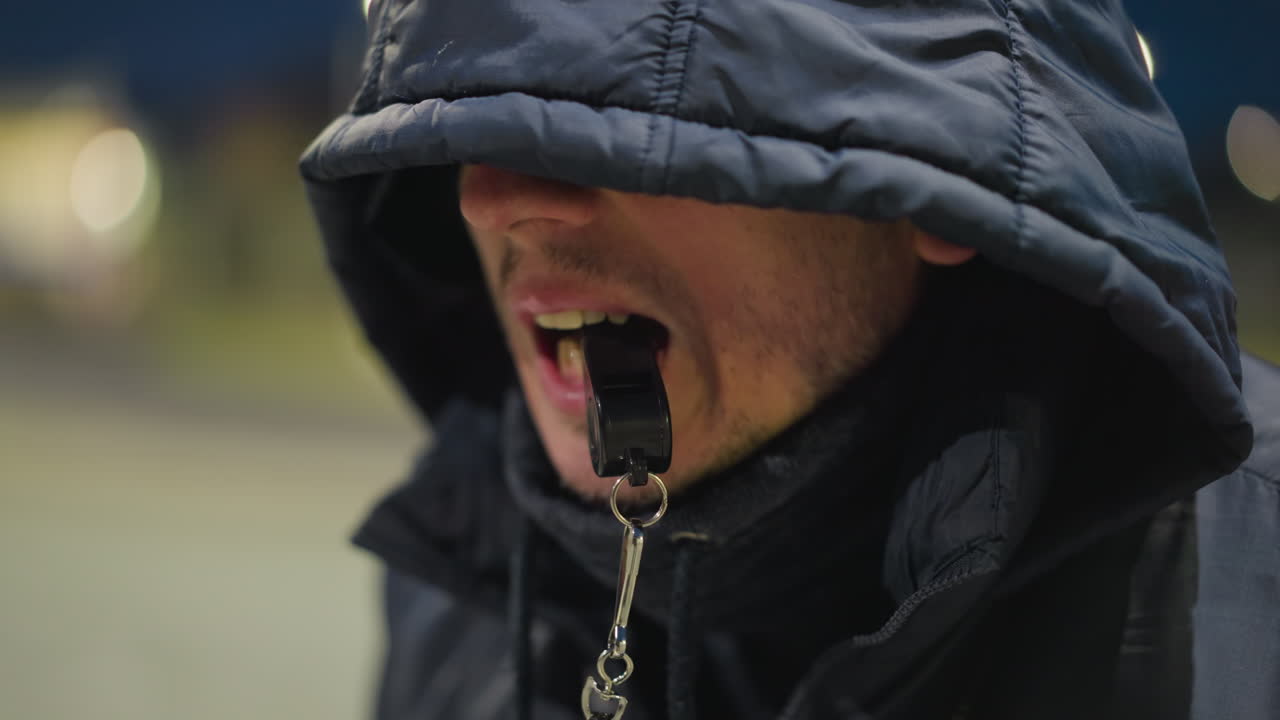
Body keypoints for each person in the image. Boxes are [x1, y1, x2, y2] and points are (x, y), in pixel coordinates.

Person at [300, 1, 1279, 718]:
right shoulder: (464, 591)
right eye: (467, 112)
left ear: (932, 191)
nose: (492, 195)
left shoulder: (1252, 602)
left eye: (624, 123)